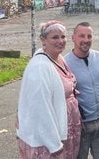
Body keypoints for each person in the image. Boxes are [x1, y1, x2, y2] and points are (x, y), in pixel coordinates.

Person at [16, 20, 81, 159]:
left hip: (65, 128)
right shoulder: (40, 67)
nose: (60, 41)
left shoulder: (58, 58)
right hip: (49, 139)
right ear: (43, 40)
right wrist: (54, 145)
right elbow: (40, 109)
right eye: (55, 37)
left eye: (63, 37)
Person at [64, 22, 99, 159]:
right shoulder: (65, 63)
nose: (86, 40)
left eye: (89, 36)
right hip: (81, 126)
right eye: (82, 36)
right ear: (73, 38)